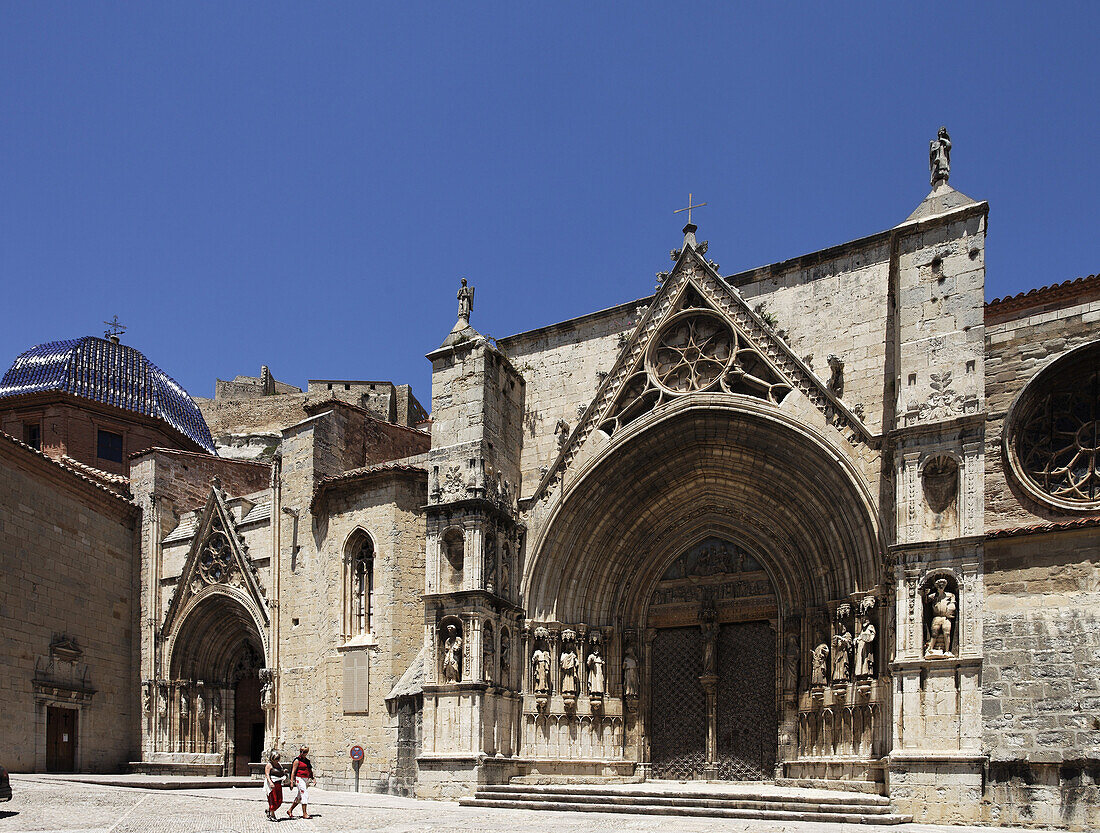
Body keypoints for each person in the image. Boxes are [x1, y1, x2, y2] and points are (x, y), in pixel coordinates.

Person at [286, 745, 315, 820]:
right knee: (304, 794)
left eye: (304, 752)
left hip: (306, 779)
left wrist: (313, 778)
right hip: (299, 779)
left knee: (299, 797)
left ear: (307, 752)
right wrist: (291, 782)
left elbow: (310, 770)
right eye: (301, 751)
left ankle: (290, 810)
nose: (302, 753)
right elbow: (293, 772)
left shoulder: (307, 761)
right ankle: (304, 813)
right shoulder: (297, 760)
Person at [263, 750, 285, 821]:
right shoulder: (269, 765)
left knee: (279, 800)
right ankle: (272, 814)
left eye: (278, 758)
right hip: (272, 784)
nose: (277, 760)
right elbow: (267, 774)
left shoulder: (279, 765)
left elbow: (281, 772)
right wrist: (270, 782)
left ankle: (269, 810)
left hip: (278, 783)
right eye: (276, 758)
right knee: (273, 799)